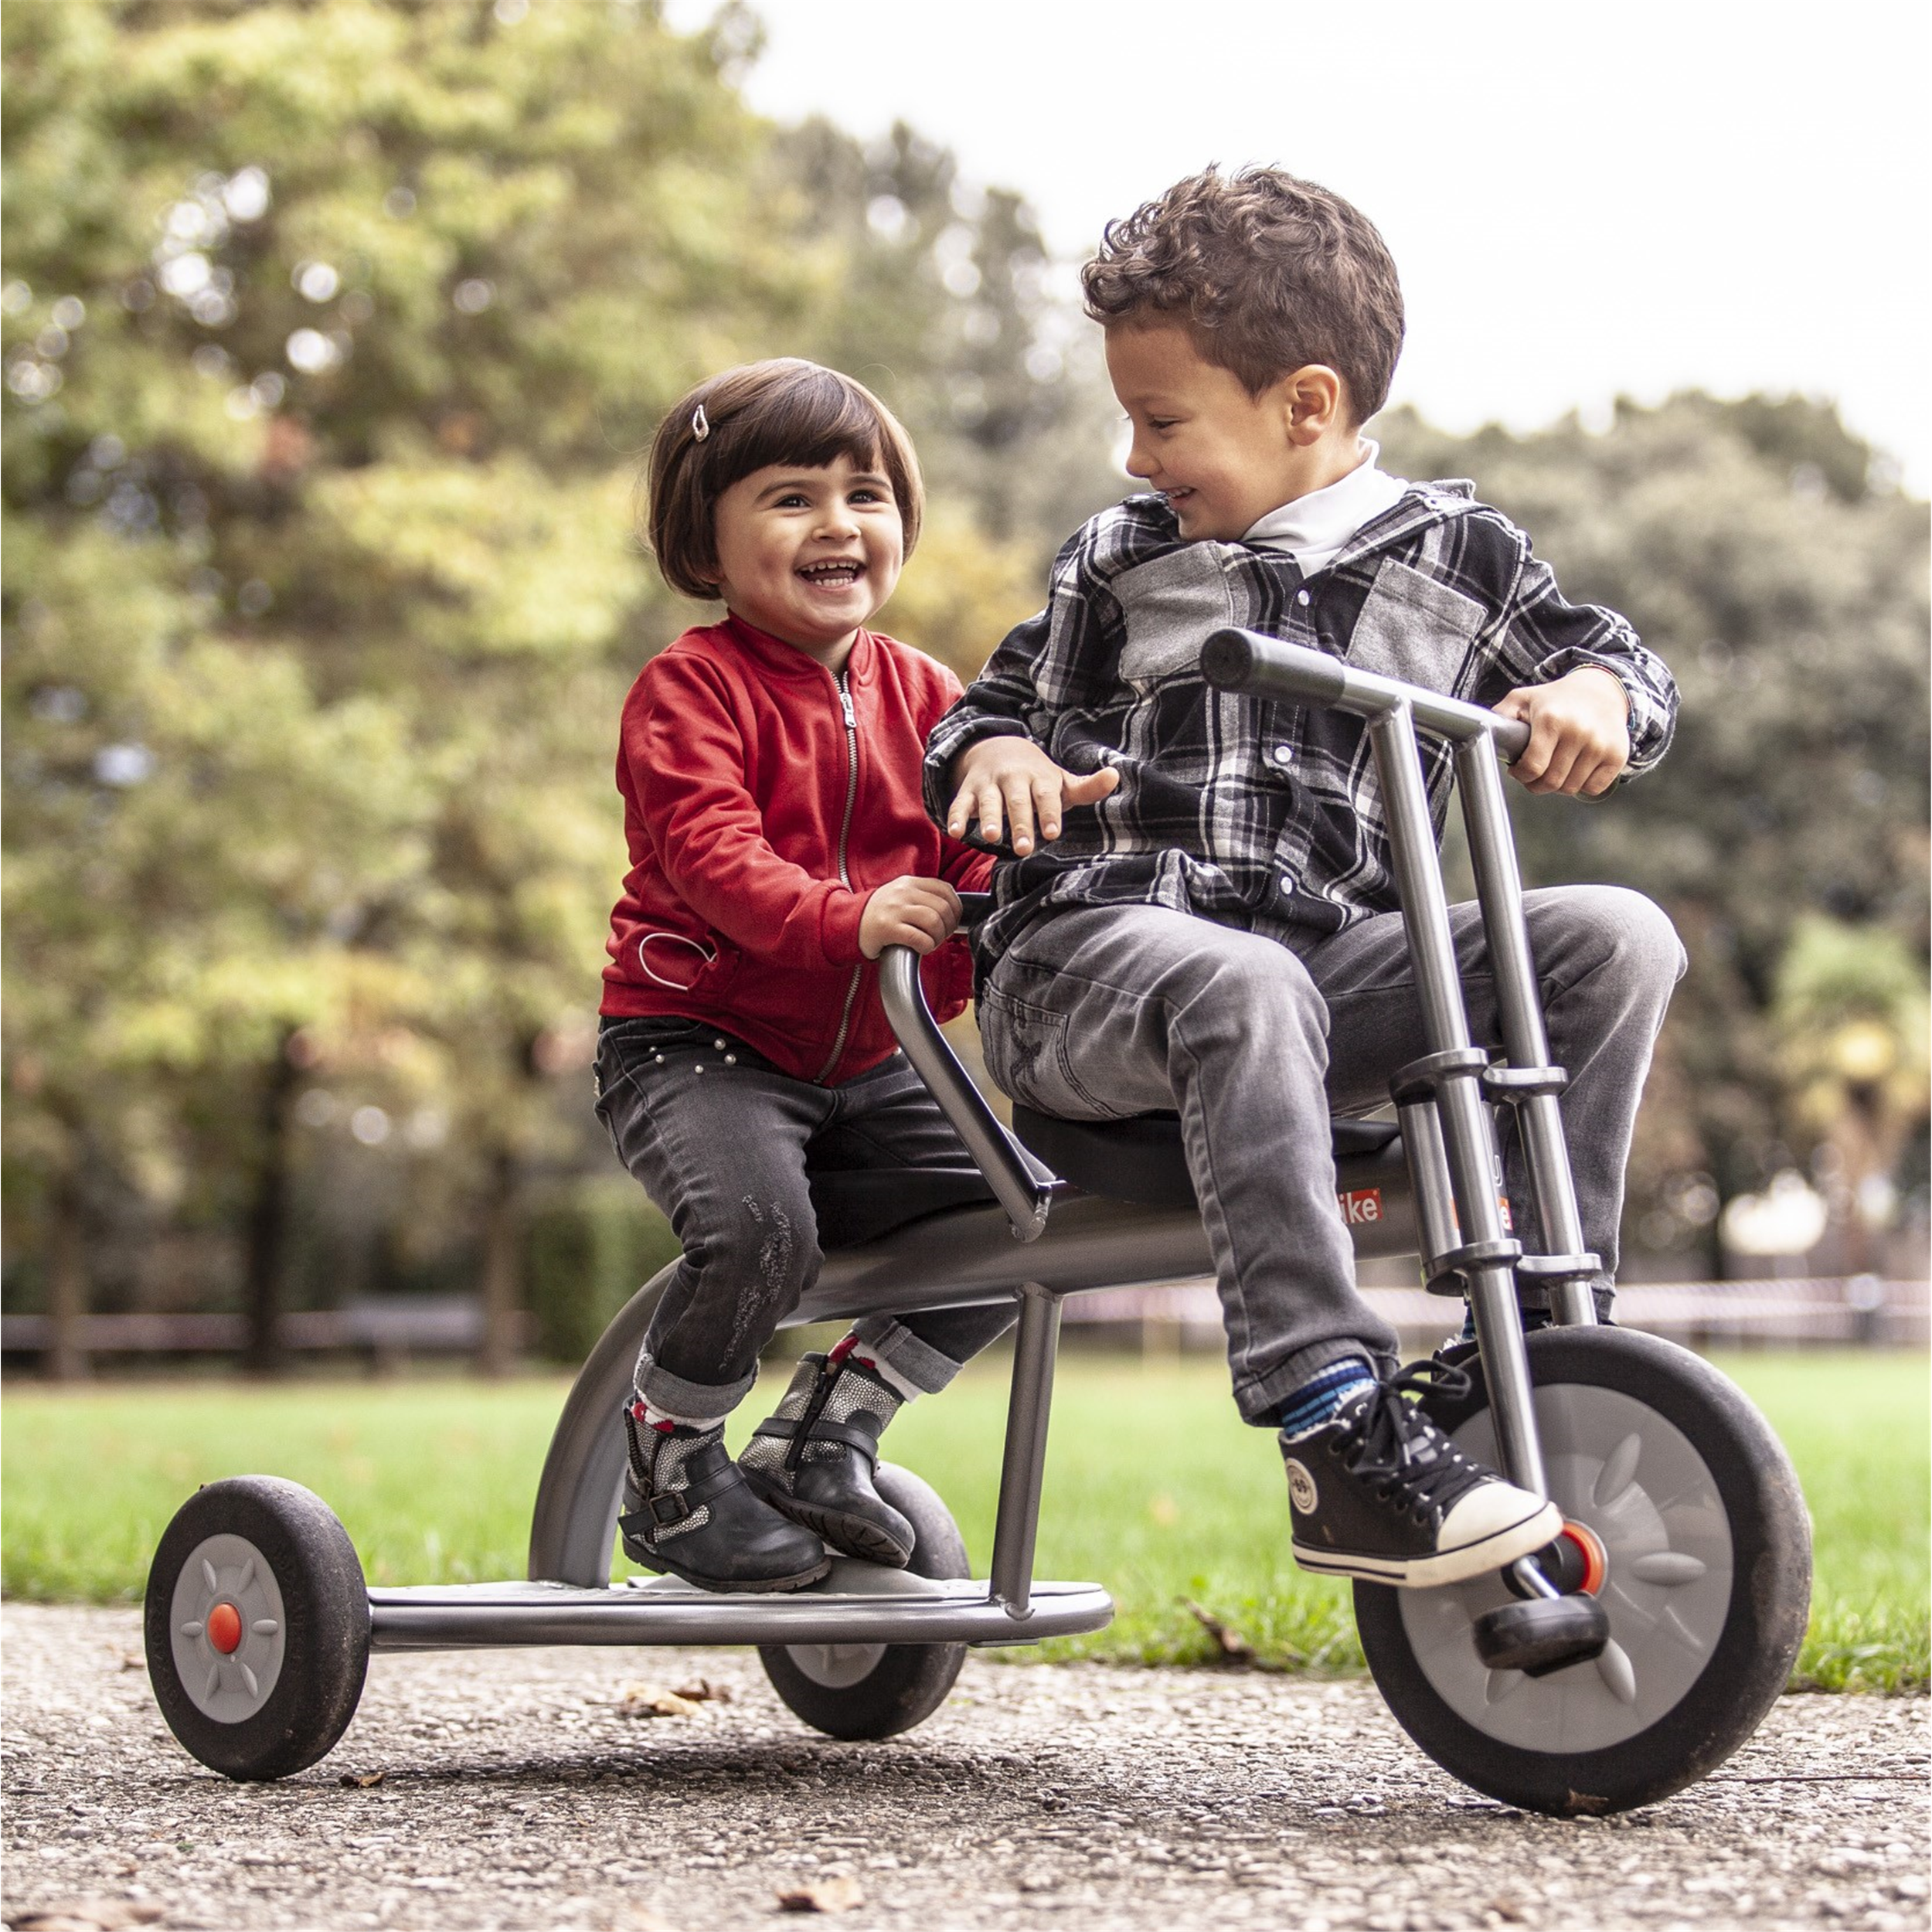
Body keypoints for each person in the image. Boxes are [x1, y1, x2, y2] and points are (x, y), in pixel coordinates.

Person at [925, 168, 1685, 1590]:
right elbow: (983, 716)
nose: (1135, 456)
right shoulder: (1122, 559)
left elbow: (1625, 667)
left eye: (1162, 421)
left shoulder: (1463, 561)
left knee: (1616, 937)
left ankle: (1537, 1340)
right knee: (1243, 980)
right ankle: (1330, 1420)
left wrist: (1594, 695)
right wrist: (998, 755)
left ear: (1306, 405)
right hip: (1093, 970)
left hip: (1326, 981)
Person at [596, 359, 1009, 1593]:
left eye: (865, 495)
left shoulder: (931, 696)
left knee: (1020, 1222)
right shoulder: (690, 690)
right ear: (706, 541)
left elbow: (973, 857)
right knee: (757, 1230)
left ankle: (829, 1429)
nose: (838, 523)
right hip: (698, 1046)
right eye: (792, 498)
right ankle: (669, 1470)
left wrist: (1026, 881)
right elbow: (714, 859)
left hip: (877, 1059)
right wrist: (854, 916)